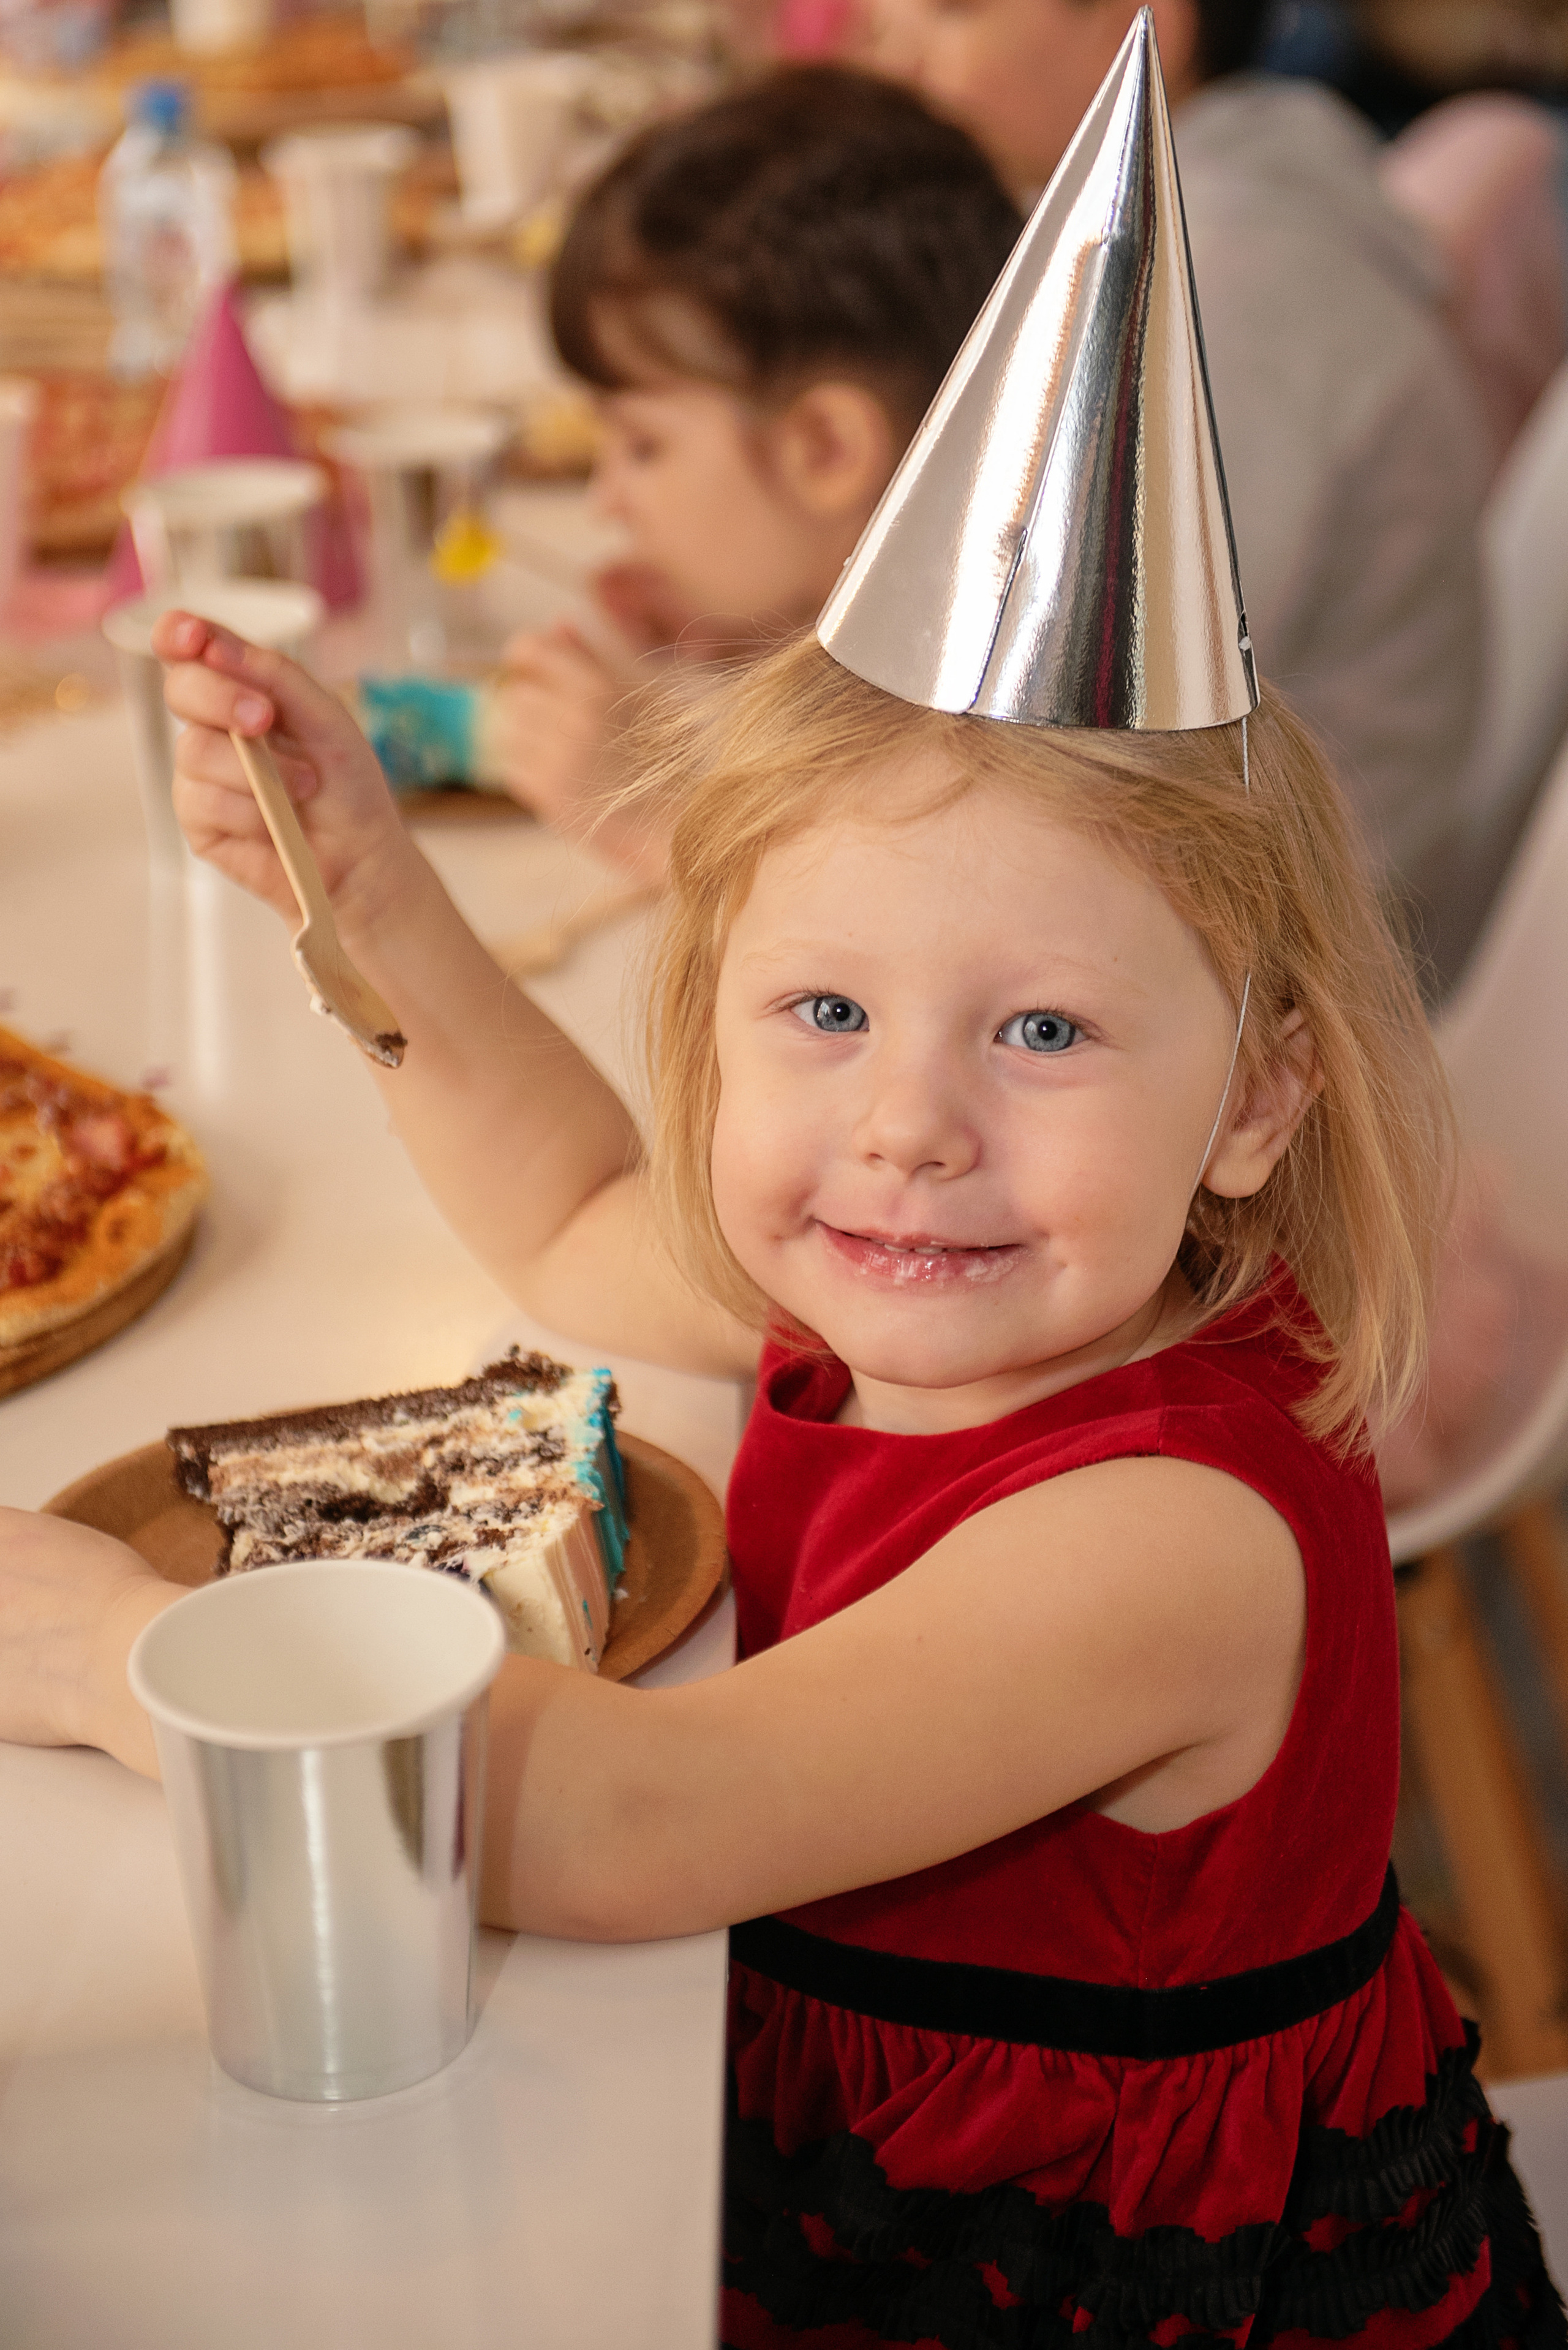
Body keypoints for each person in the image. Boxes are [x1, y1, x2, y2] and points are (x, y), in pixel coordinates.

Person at [2, 26, 1559, 2345]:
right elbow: (562, 1222)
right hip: (843, 2133)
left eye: (1041, 1029)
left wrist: (118, 1658)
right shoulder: (952, 1264)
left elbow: (627, 1823)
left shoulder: (1167, 1530)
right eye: (822, 1015)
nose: (910, 1121)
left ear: (1257, 1100)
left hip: (1092, 2287)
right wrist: (378, 896)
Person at [863, 0, 1496, 991]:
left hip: (1274, 963)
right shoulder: (1197, 194)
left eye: (954, 10)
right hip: (1194, 866)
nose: (892, 52)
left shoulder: (1214, 286)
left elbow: (1065, 736)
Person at [492, 64, 1022, 881]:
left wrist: (654, 814)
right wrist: (771, 621)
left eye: (643, 446)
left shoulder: (1009, 731)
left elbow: (895, 960)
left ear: (826, 450)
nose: (608, 503)